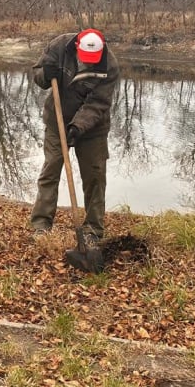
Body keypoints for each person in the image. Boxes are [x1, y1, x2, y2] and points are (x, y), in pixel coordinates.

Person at [29, 28, 119, 243]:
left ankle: (92, 231)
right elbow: (38, 76)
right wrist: (45, 74)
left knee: (95, 176)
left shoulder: (109, 65)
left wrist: (78, 127)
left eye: (92, 60)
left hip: (92, 128)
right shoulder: (59, 46)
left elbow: (98, 103)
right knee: (51, 169)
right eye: (85, 58)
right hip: (56, 120)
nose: (88, 63)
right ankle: (41, 225)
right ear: (77, 46)